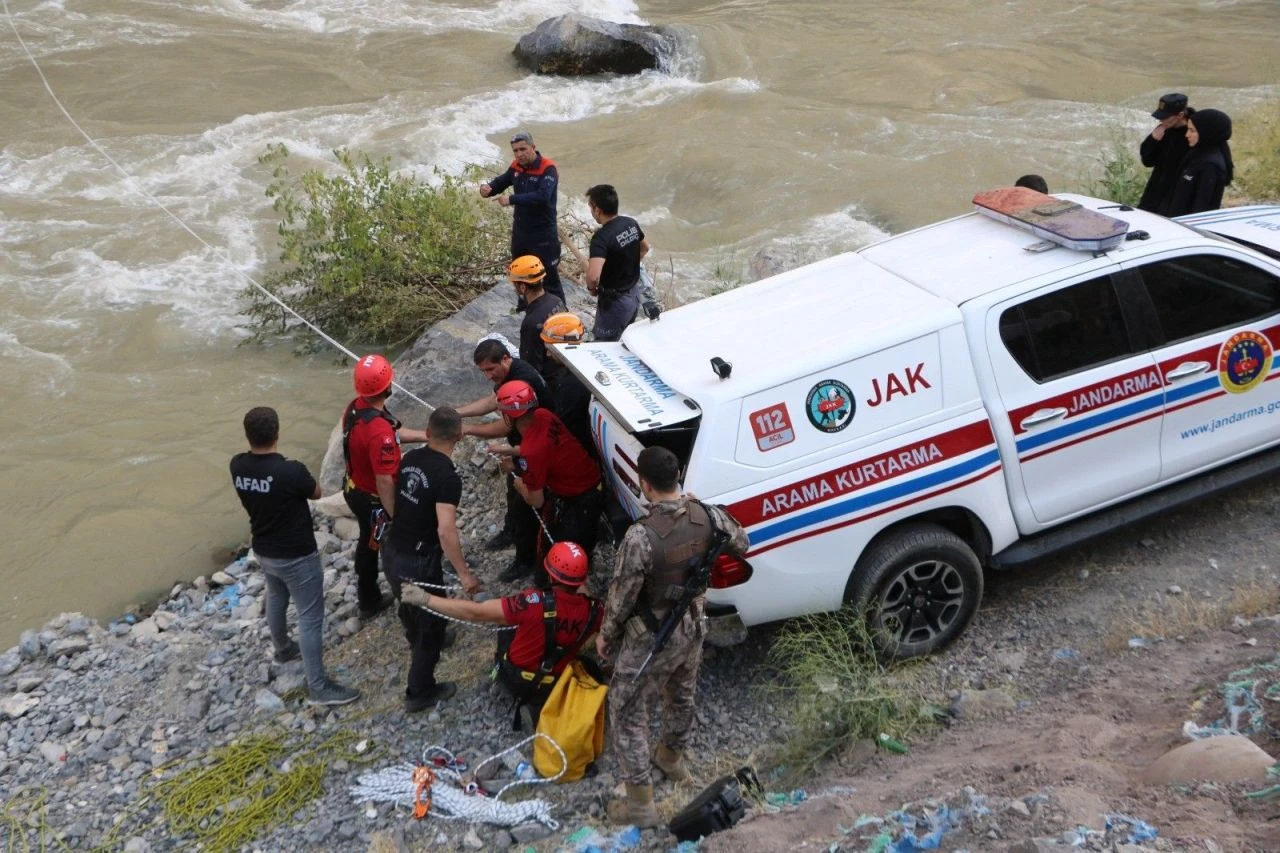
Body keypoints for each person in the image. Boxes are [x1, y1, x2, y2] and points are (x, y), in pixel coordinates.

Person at [595, 446, 749, 825]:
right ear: (678, 474)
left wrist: (606, 635)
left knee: (627, 712)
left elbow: (622, 596)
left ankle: (640, 805)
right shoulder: (707, 515)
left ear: (644, 485)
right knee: (681, 695)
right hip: (693, 626)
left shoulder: (640, 537)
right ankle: (671, 758)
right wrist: (701, 509)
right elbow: (742, 543)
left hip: (652, 636)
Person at [230, 407, 360, 706]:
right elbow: (317, 492)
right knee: (310, 616)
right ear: (277, 432)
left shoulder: (237, 465)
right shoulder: (290, 471)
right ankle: (318, 686)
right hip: (296, 554)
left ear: (247, 435)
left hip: (264, 549)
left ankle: (283, 649)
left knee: (276, 596)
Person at [400, 541, 602, 721]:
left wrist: (427, 599)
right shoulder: (595, 611)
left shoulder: (532, 603)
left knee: (506, 625)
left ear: (550, 574)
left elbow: (475, 612)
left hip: (516, 677)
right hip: (555, 678)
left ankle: (517, 689)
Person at [381, 407, 481, 712]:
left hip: (393, 548)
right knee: (431, 626)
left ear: (426, 432)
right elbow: (446, 530)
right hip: (417, 560)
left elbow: (393, 490)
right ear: (460, 437)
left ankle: (418, 636)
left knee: (409, 604)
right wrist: (464, 574)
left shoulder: (411, 458)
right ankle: (419, 691)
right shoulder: (447, 477)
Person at [341, 354, 428, 619]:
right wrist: (396, 518)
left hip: (353, 487)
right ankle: (370, 600)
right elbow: (384, 479)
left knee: (368, 540)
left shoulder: (356, 407)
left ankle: (368, 593)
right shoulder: (378, 431)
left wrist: (426, 435)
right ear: (387, 385)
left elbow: (392, 434)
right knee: (375, 544)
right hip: (372, 500)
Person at [456, 339, 551, 580]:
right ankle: (511, 531)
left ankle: (525, 560)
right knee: (513, 494)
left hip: (533, 450)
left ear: (506, 359)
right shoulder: (510, 374)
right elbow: (494, 401)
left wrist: (468, 429)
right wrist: (457, 413)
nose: (488, 376)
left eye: (490, 369)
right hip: (522, 446)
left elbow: (505, 426)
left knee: (525, 506)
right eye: (483, 371)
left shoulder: (522, 381)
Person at [491, 380, 603, 586]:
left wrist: (517, 479)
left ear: (508, 416)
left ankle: (551, 589)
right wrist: (510, 450)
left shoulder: (532, 452)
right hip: (589, 481)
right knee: (579, 540)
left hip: (579, 499)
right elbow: (544, 446)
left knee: (553, 564)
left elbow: (536, 500)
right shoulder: (544, 415)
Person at [480, 131, 565, 305]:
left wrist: (511, 199)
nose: (519, 154)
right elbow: (501, 182)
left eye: (523, 149)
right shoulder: (516, 166)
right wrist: (487, 188)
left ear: (533, 147)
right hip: (521, 233)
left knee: (549, 277)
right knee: (520, 274)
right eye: (515, 151)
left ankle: (560, 311)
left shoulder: (548, 168)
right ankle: (525, 308)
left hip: (543, 234)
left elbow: (542, 196)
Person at [584, 184, 650, 342]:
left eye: (591, 207)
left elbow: (593, 277)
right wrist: (627, 265)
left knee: (603, 345)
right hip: (633, 295)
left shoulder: (601, 238)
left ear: (597, 210)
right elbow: (645, 248)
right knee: (625, 340)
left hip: (614, 304)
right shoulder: (630, 223)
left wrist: (592, 289)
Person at [539, 311, 596, 457]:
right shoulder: (591, 356)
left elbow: (562, 425)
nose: (548, 354)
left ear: (565, 346)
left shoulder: (572, 384)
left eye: (550, 349)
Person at [1163, 108, 1234, 218]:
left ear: (1207, 132)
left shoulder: (1211, 166)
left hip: (1185, 225)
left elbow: (1200, 209)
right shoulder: (1196, 153)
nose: (1187, 135)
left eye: (1192, 130)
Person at [509, 255, 566, 378]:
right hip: (565, 368)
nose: (515, 289)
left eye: (515, 286)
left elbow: (530, 369)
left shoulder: (531, 323)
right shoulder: (556, 300)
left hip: (550, 379)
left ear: (523, 287)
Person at [1137, 93, 1192, 213]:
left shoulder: (1193, 134)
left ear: (1180, 115)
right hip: (1155, 191)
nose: (1161, 120)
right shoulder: (1163, 129)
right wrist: (1153, 140)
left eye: (1165, 117)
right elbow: (1147, 161)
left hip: (1178, 194)